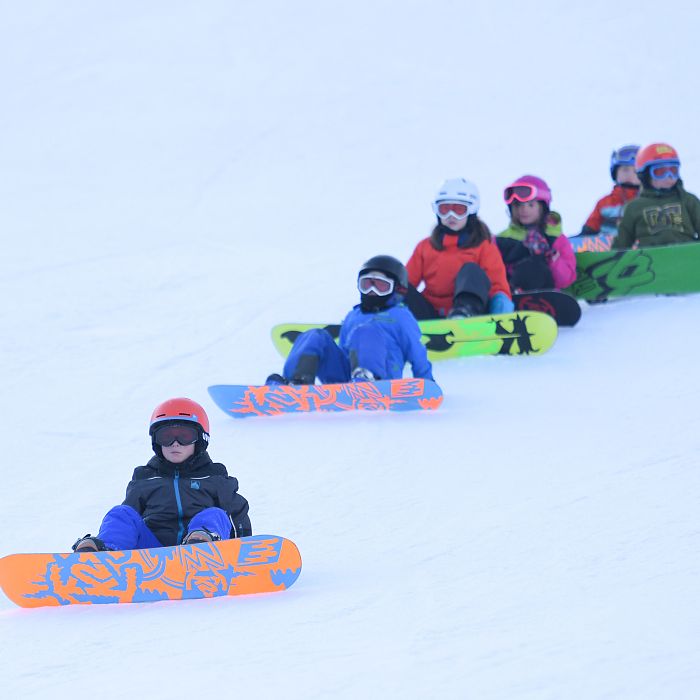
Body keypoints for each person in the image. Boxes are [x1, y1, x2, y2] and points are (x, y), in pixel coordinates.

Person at [73, 397, 251, 552]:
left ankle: (199, 547)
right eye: (166, 437)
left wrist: (245, 550)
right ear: (156, 442)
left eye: (185, 436)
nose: (175, 444)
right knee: (122, 513)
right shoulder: (145, 478)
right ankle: (105, 555)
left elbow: (237, 516)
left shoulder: (215, 478)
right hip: (151, 552)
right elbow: (127, 522)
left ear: (201, 439)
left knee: (215, 514)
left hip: (204, 549)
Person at [265, 255, 434, 384]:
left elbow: (416, 351)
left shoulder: (401, 316)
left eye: (381, 285)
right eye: (367, 284)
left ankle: (368, 378)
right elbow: (344, 351)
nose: (372, 291)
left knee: (365, 331)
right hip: (346, 379)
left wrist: (426, 382)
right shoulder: (353, 316)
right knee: (315, 335)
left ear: (398, 290)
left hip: (384, 378)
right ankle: (296, 382)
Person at [405, 177, 514, 319]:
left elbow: (497, 286)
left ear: (472, 211)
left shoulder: (483, 247)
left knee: (471, 270)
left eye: (459, 210)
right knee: (398, 284)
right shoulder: (425, 247)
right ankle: (384, 320)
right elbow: (406, 282)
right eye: (444, 209)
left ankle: (462, 314)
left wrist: (501, 311)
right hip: (431, 314)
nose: (451, 216)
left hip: (472, 313)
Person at [495, 175, 576, 291]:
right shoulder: (501, 239)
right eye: (518, 205)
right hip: (510, 293)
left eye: (531, 205)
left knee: (534, 266)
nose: (524, 210)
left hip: (545, 294)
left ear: (542, 207)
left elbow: (566, 279)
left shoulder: (555, 238)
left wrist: (552, 258)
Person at [614, 142, 700, 249]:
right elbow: (621, 243)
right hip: (651, 261)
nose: (669, 176)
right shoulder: (634, 207)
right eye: (660, 172)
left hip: (687, 258)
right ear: (645, 175)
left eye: (673, 171)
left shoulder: (688, 200)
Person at [579, 144, 641, 239]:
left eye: (635, 171)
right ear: (615, 173)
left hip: (644, 247)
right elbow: (589, 231)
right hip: (608, 248)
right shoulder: (605, 203)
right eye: (625, 170)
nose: (630, 175)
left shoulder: (649, 200)